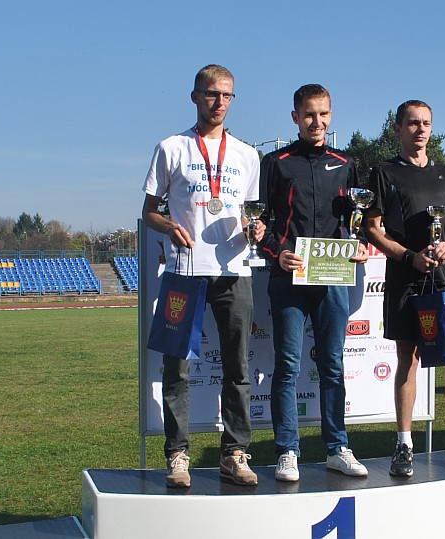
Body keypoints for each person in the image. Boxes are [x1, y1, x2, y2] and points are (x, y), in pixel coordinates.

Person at [141, 64, 264, 488]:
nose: (219, 102)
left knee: (238, 368)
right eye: (212, 94)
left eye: (227, 95)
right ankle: (177, 454)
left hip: (234, 271)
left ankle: (234, 453)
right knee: (177, 369)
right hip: (185, 270)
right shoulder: (170, 148)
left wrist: (255, 228)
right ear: (195, 96)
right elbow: (149, 212)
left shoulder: (247, 155)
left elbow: (249, 214)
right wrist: (168, 225)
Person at [364, 100, 445, 477]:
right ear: (398, 128)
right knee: (408, 358)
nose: (420, 129)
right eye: (413, 123)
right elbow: (372, 228)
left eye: (426, 123)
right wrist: (409, 257)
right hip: (406, 276)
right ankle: (404, 445)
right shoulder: (383, 173)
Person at [258, 84, 369, 482]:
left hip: (333, 279)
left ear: (331, 116)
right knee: (287, 366)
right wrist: (277, 252)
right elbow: (259, 223)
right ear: (295, 117)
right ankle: (287, 451)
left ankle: (337, 448)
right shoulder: (276, 162)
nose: (316, 122)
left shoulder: (345, 163)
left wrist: (360, 244)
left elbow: (357, 219)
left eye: (323, 114)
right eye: (308, 114)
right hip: (288, 278)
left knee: (332, 365)